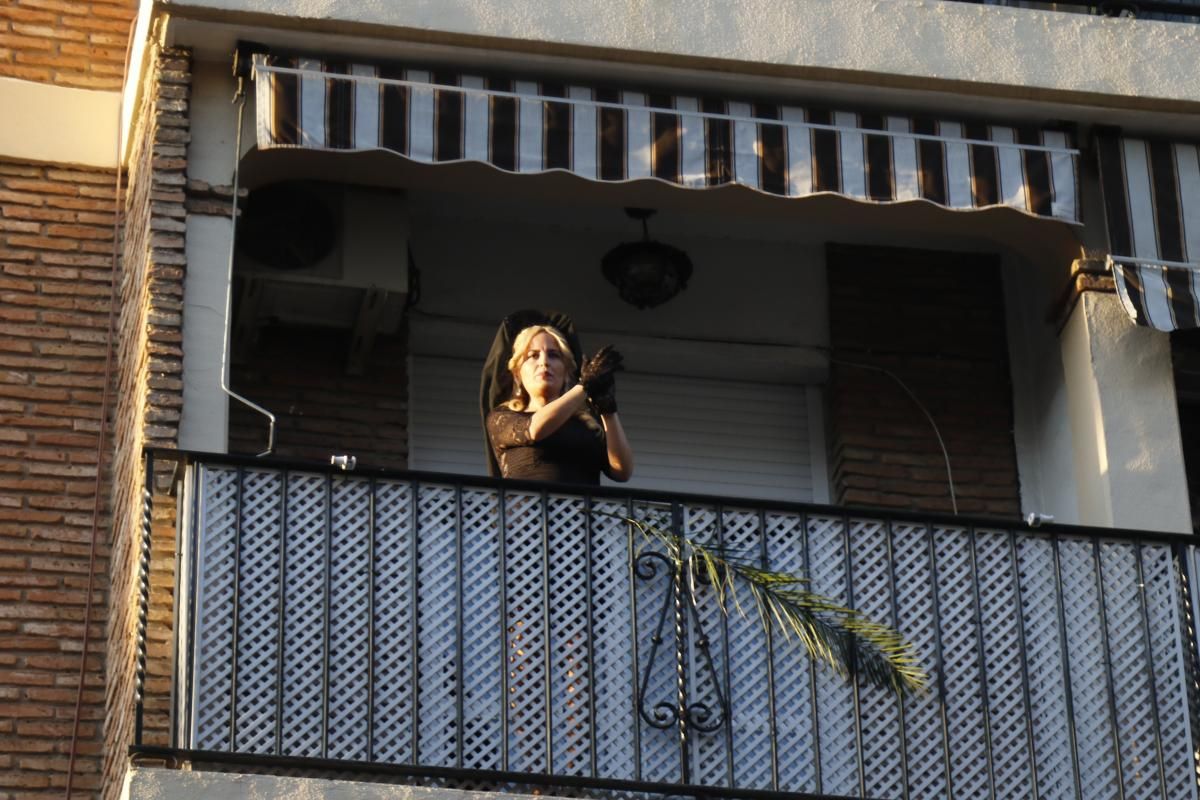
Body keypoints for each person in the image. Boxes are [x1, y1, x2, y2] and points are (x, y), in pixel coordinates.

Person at [486, 323, 633, 484]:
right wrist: (585, 386)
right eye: (533, 355)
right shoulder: (502, 417)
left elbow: (622, 472)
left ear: (566, 372)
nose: (544, 362)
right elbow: (535, 430)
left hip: (581, 509)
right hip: (530, 508)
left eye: (554, 355)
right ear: (517, 374)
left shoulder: (588, 424)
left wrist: (608, 410)